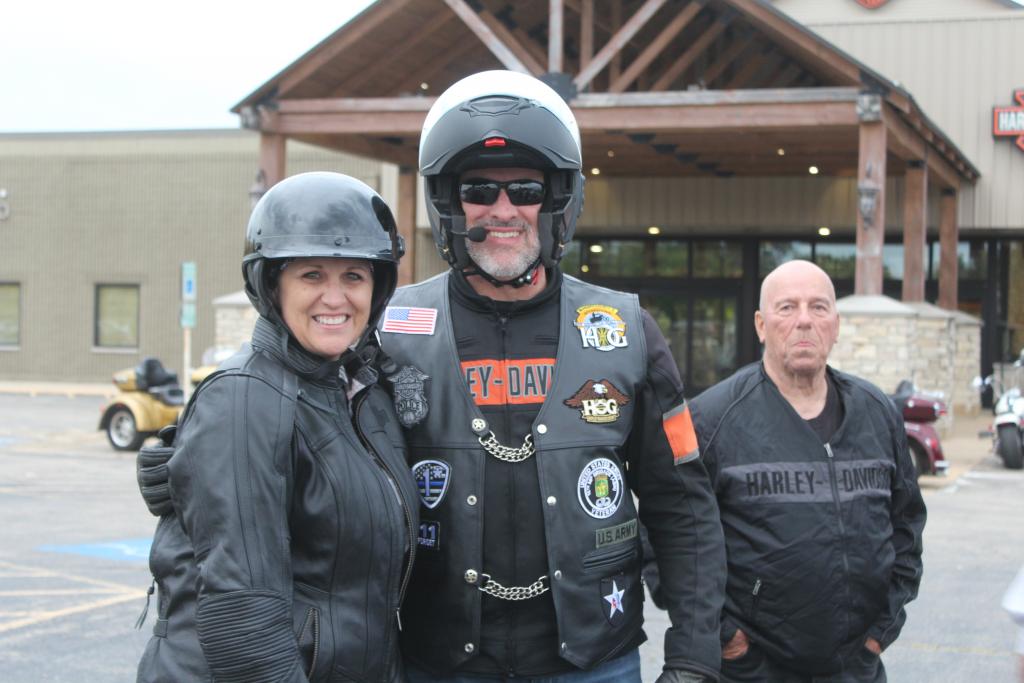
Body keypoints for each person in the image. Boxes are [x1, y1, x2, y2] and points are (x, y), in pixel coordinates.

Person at [379, 70, 726, 683]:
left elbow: (682, 505)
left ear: (559, 199)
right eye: (479, 189)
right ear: (449, 202)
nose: (503, 210)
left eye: (526, 189)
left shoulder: (627, 330)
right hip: (438, 661)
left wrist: (694, 657)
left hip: (594, 659)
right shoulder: (389, 331)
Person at [134, 172, 419, 683]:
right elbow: (243, 618)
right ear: (272, 285)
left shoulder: (358, 393)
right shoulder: (243, 398)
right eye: (312, 275)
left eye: (354, 276)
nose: (335, 297)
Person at [690, 259, 926, 682]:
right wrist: (729, 640)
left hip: (857, 667)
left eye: (818, 307)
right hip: (753, 669)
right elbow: (670, 540)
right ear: (761, 325)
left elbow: (907, 526)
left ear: (835, 325)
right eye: (787, 307)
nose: (804, 320)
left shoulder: (877, 412)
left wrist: (880, 633)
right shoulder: (711, 419)